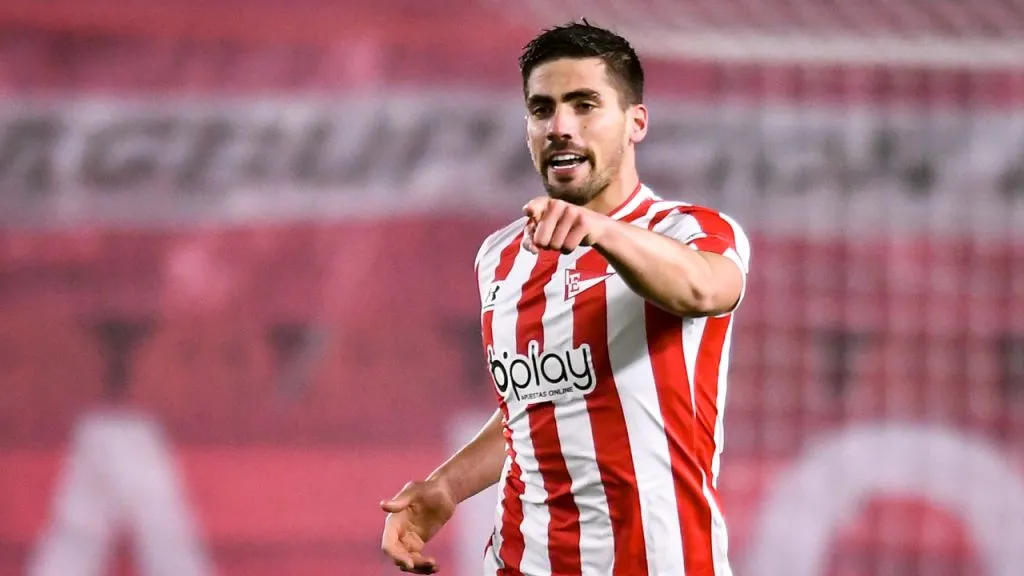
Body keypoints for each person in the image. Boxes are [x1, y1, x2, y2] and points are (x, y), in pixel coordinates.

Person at [380, 20, 750, 576]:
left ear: (635, 123)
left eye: (584, 105)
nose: (559, 126)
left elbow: (705, 289)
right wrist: (447, 487)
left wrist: (600, 231)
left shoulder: (688, 232)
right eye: (542, 109)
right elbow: (536, 406)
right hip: (523, 561)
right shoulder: (500, 256)